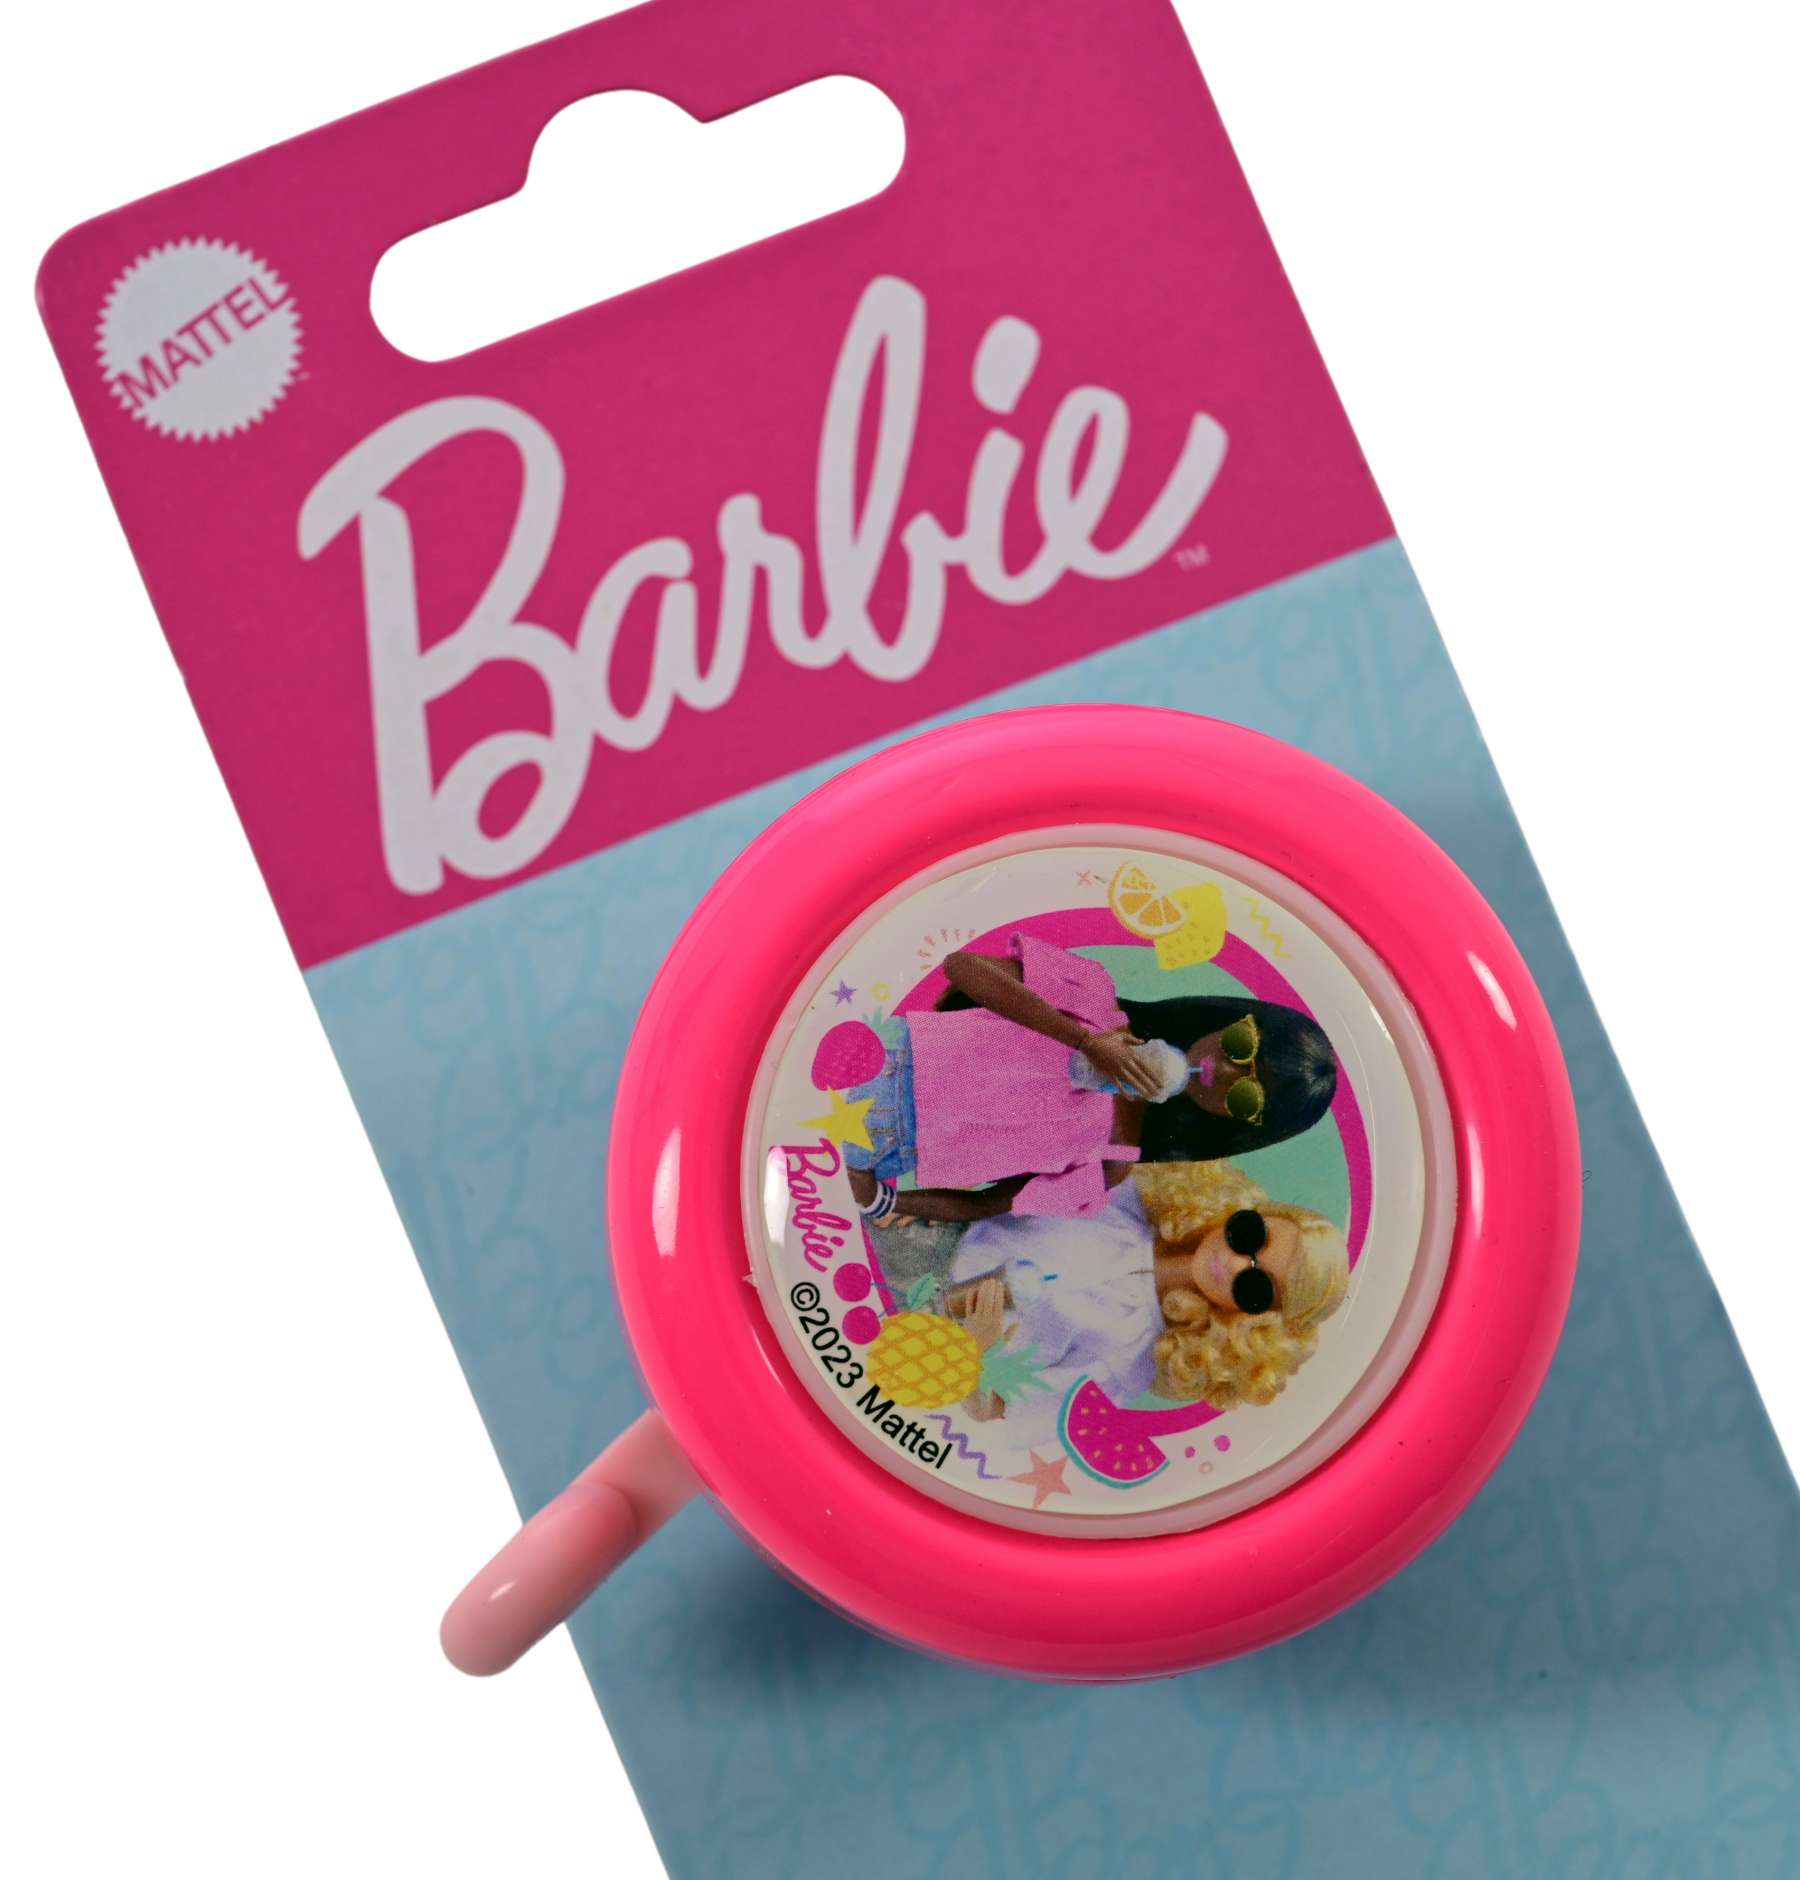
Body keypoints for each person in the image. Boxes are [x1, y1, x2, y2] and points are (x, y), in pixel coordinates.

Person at [843, 935, 1338, 1224]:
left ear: (1237, 1123)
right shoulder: (1094, 996)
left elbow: (989, 1204)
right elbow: (963, 968)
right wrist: (1084, 1037)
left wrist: (881, 1200)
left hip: (880, 1147)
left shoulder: (1110, 1163)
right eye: (1240, 1045)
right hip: (868, 1058)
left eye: (1246, 1094)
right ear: (1234, 1020)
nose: (1223, 1071)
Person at [939, 1160, 1350, 1450]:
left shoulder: (1127, 1355)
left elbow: (992, 1413)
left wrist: (975, 1352)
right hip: (928, 1227)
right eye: (1252, 1236)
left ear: (1253, 1322)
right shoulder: (1128, 1198)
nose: (1234, 1263)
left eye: (1255, 1287)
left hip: (927, 1340)